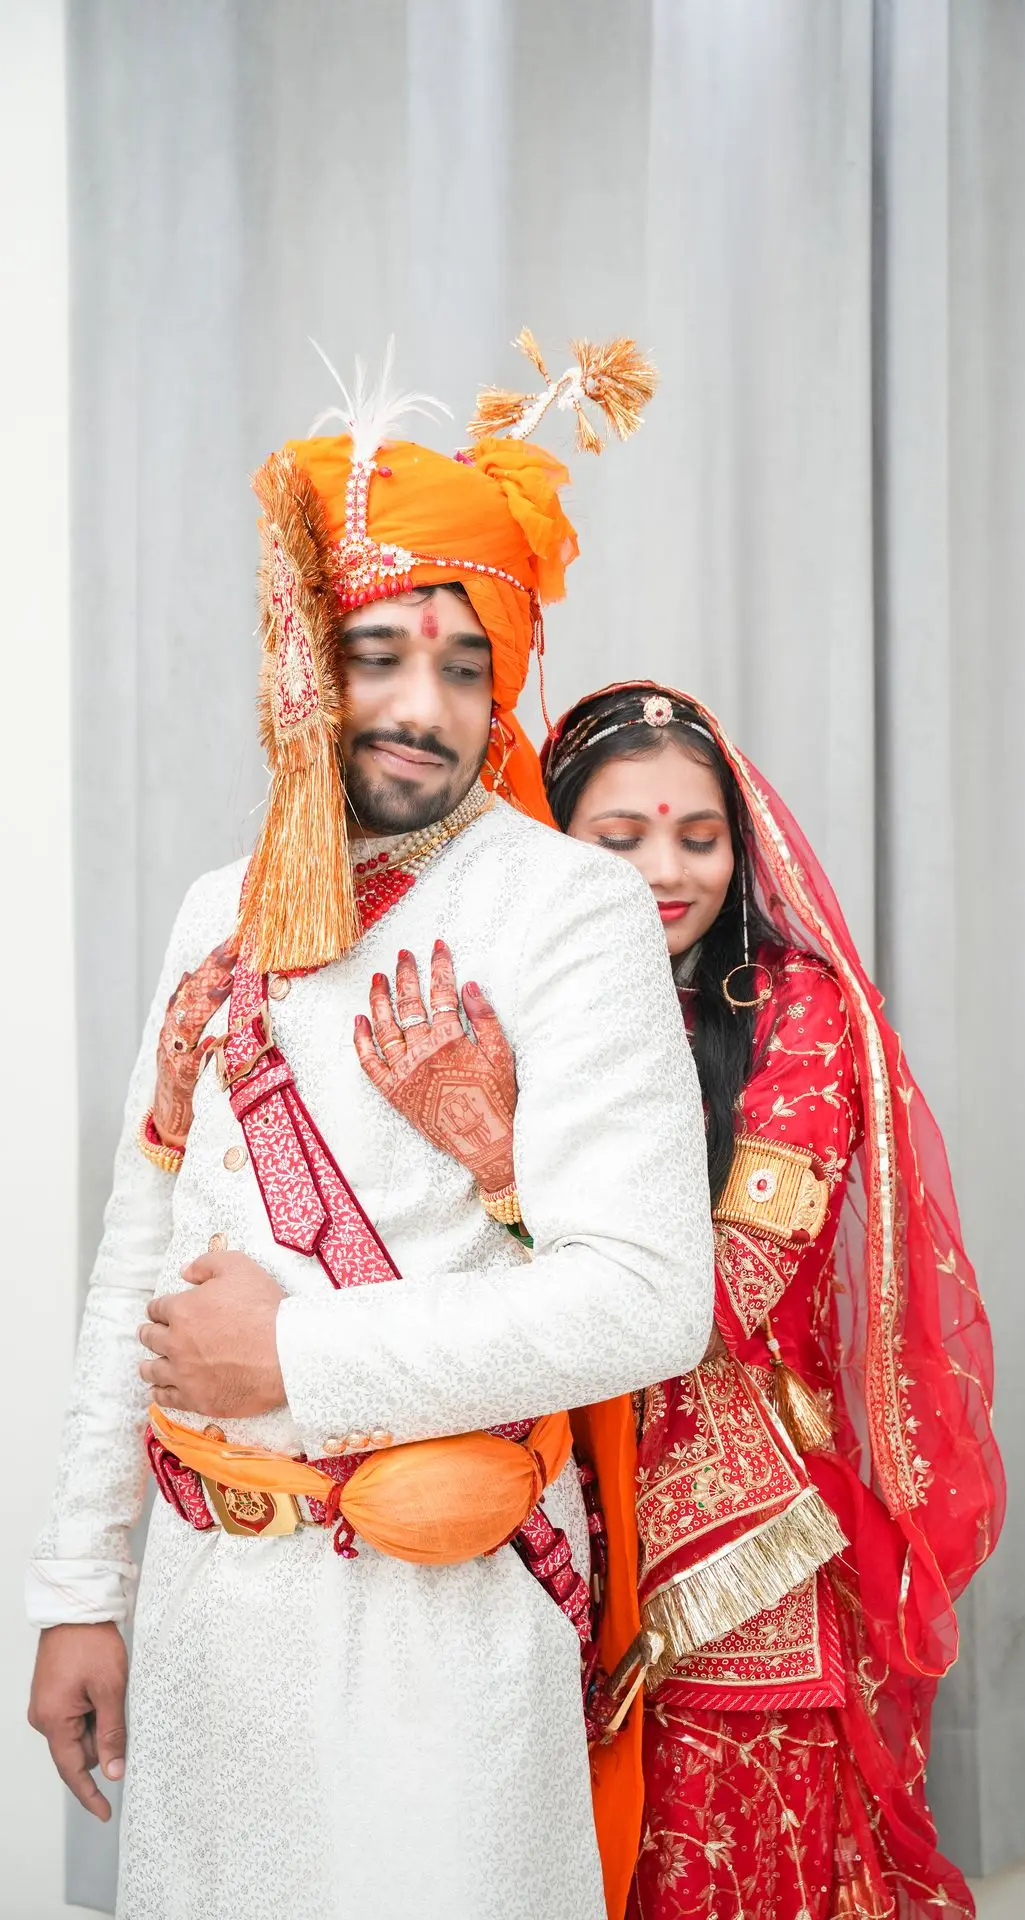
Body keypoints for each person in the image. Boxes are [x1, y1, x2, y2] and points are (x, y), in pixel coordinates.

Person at [24, 340, 734, 1920]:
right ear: (303, 658)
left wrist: (302, 1360)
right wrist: (82, 1589)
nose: (426, 707)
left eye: (467, 664)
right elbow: (137, 1254)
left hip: (442, 1622)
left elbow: (645, 1297)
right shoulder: (220, 910)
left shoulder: (571, 909)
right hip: (214, 1621)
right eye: (382, 652)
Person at [358, 680, 1006, 1920]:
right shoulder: (508, 1000)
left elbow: (713, 1305)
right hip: (525, 1509)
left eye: (698, 837)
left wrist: (499, 1162)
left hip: (726, 1547)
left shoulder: (802, 1023)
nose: (666, 870)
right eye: (619, 839)